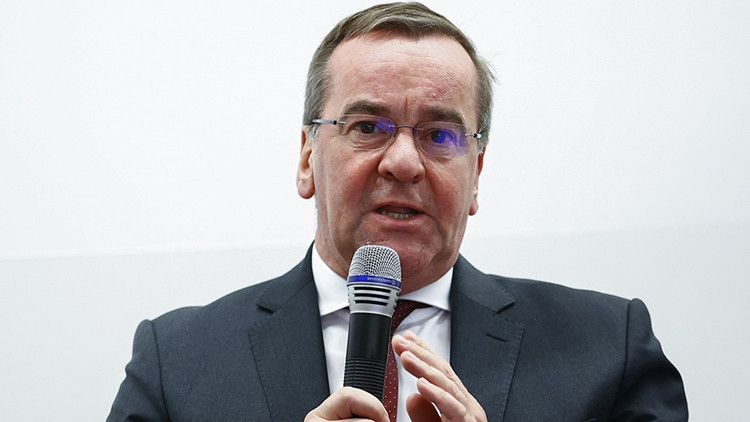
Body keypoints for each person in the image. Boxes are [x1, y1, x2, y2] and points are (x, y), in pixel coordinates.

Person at [108, 2, 688, 421]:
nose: (404, 162)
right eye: (368, 127)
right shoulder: (177, 362)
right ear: (308, 158)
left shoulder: (607, 348)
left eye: (440, 135)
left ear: (477, 174)